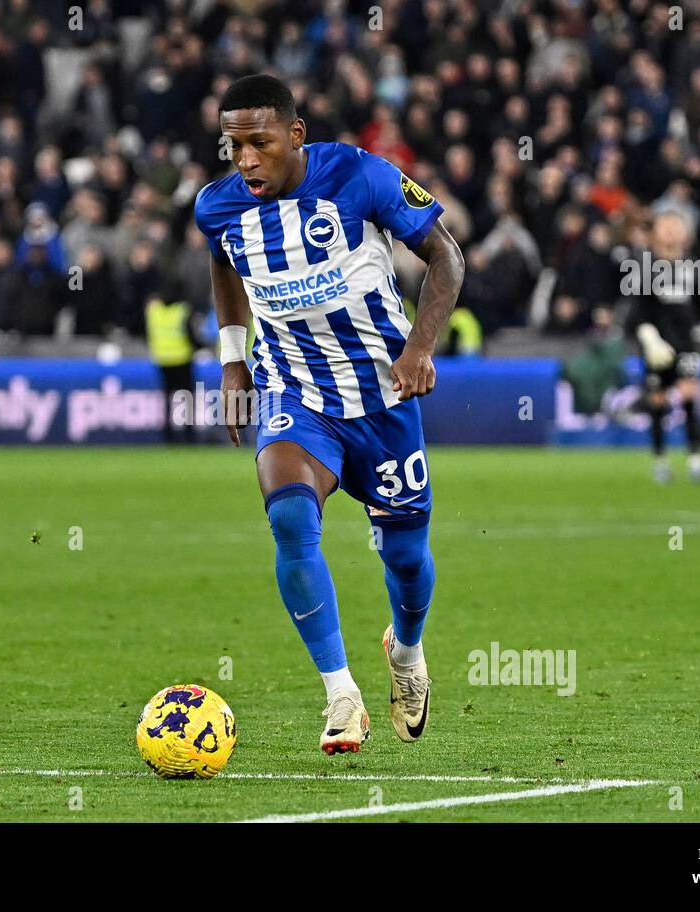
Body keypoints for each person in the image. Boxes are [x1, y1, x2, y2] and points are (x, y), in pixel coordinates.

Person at [195, 75, 465, 754]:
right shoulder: (217, 207)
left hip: (383, 397)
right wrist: (234, 359)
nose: (246, 160)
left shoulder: (361, 176)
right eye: (234, 147)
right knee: (289, 517)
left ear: (295, 134)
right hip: (296, 393)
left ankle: (406, 655)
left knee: (405, 556)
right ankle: (341, 693)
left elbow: (446, 258)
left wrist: (420, 348)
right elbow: (224, 266)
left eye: (259, 143)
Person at [625, 211, 700, 483]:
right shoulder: (644, 267)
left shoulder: (694, 266)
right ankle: (660, 461)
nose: (670, 232)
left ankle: (695, 460)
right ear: (655, 232)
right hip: (657, 347)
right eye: (665, 227)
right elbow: (636, 315)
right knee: (657, 402)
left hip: (686, 344)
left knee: (689, 396)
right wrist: (650, 340)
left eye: (675, 227)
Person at [145, 280, 197, 444]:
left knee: (167, 400)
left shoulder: (153, 310)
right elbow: (191, 335)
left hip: (162, 360)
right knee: (187, 399)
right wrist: (200, 346)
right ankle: (188, 435)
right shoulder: (182, 310)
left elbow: (147, 333)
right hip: (182, 359)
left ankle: (167, 435)